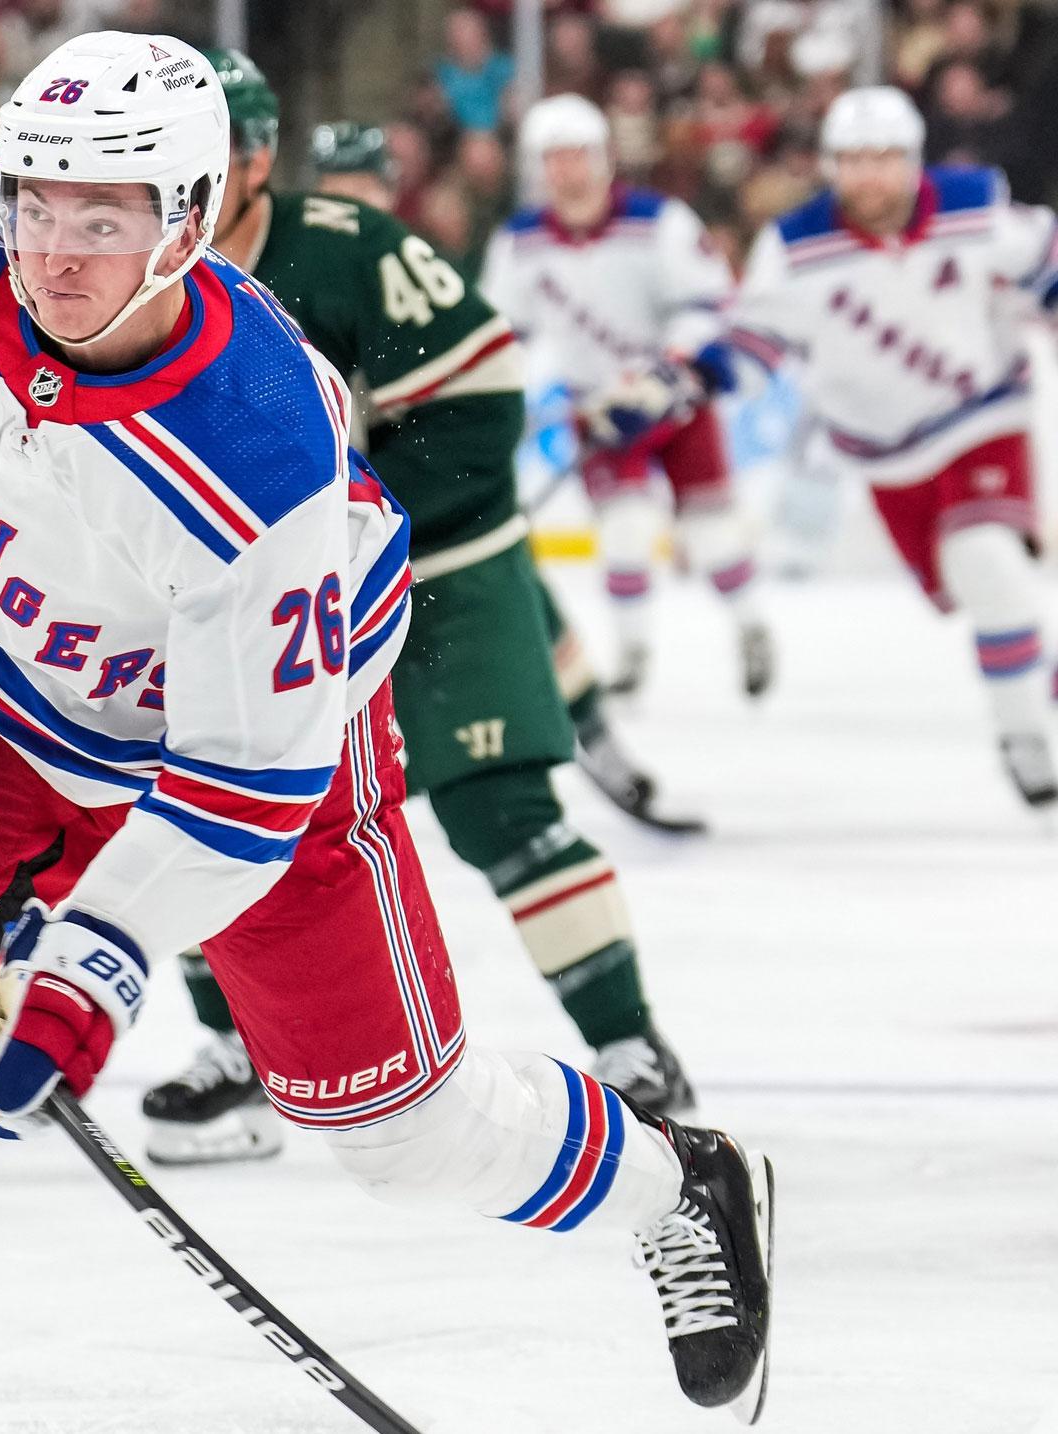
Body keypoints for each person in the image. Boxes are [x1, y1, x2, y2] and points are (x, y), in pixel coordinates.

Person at [0, 32, 774, 1434]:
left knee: (390, 1128)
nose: (54, 251)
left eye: (105, 217)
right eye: (38, 203)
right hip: (4, 704)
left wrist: (90, 971)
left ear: (187, 220)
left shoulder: (260, 455)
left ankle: (684, 1181)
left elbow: (240, 792)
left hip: (257, 767)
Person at [131, 56, 709, 1176]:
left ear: (251, 161)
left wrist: (368, 504)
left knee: (499, 809)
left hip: (438, 566)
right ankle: (233, 1052)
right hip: (251, 602)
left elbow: (484, 388)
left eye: (219, 156)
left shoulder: (344, 249)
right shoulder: (121, 276)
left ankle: (634, 1051)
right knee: (206, 809)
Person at [724, 87, 1058, 813]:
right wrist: (684, 378)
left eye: (885, 159)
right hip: (884, 455)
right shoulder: (794, 247)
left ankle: (1022, 737)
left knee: (987, 565)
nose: (871, 178)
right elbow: (750, 345)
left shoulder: (971, 205)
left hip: (982, 416)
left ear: (912, 160)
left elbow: (1055, 261)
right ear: (830, 166)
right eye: (854, 161)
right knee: (995, 600)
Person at [481, 94, 775, 702]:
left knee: (713, 532)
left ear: (603, 158)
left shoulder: (659, 222)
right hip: (601, 412)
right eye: (553, 158)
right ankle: (633, 653)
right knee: (624, 529)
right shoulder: (518, 244)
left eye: (577, 155)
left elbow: (709, 304)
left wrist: (671, 369)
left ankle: (751, 628)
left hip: (677, 402)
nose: (567, 170)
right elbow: (502, 334)